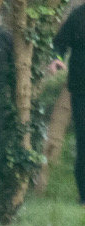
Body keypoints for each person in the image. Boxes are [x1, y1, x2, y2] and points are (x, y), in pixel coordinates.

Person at [50, 3, 85, 206]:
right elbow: (60, 43)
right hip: (81, 89)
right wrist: (57, 59)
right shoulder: (78, 15)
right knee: (83, 141)